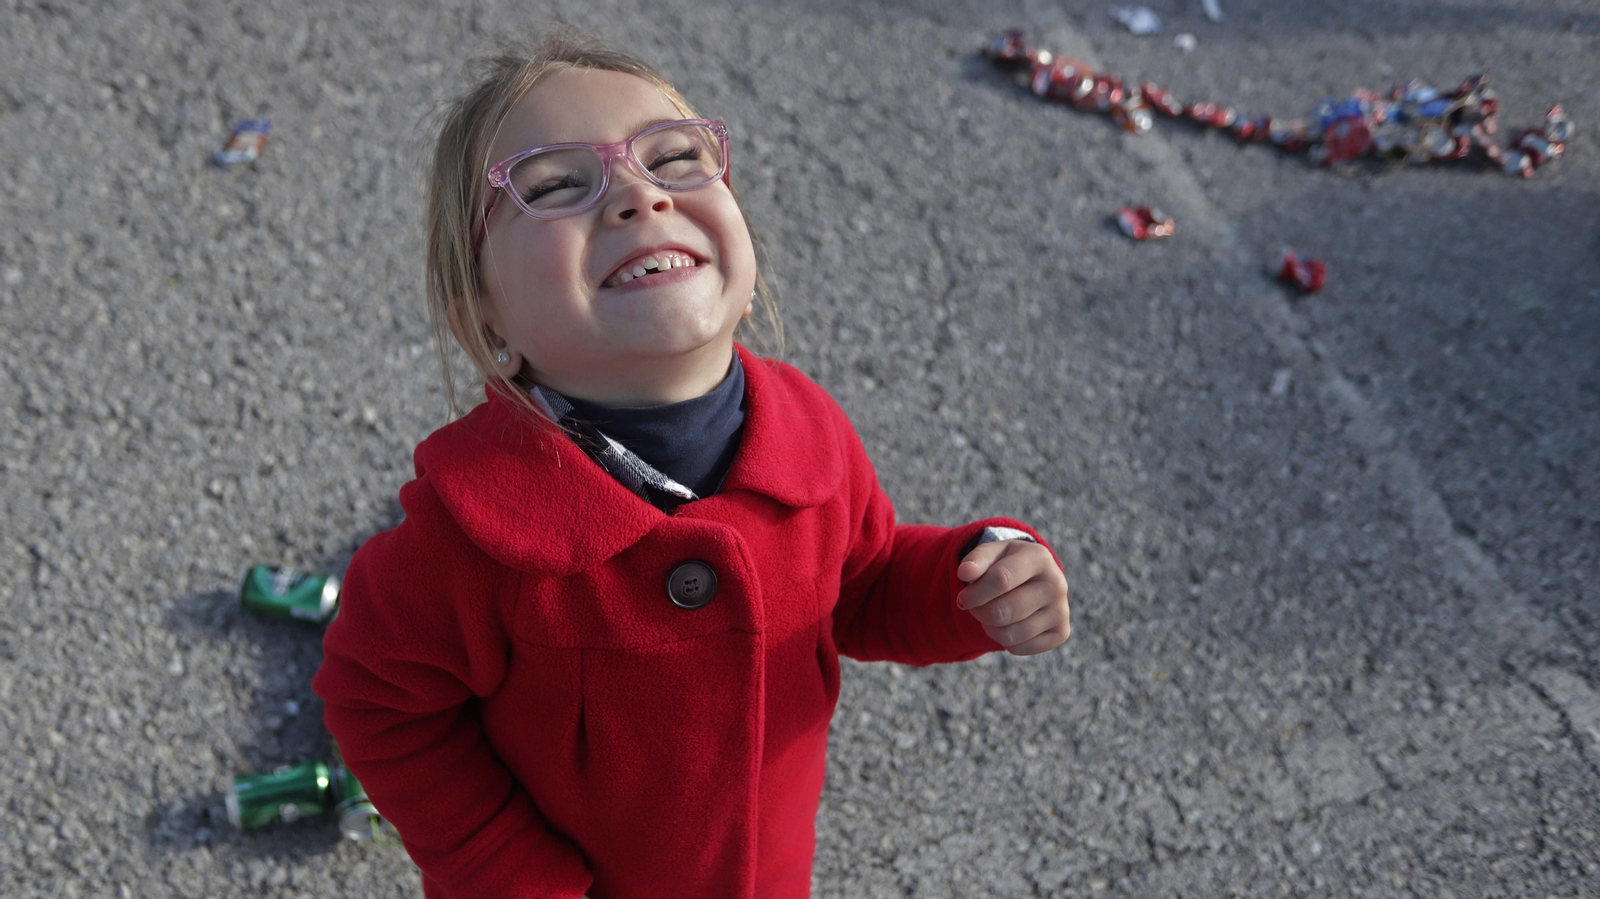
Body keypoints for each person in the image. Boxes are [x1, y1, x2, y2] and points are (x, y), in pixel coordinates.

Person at [311, 26, 1071, 899]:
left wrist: (979, 576)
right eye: (557, 185)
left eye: (673, 160)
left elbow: (863, 583)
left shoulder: (809, 435)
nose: (639, 198)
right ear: (488, 327)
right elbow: (378, 700)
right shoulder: (468, 530)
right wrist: (508, 874)